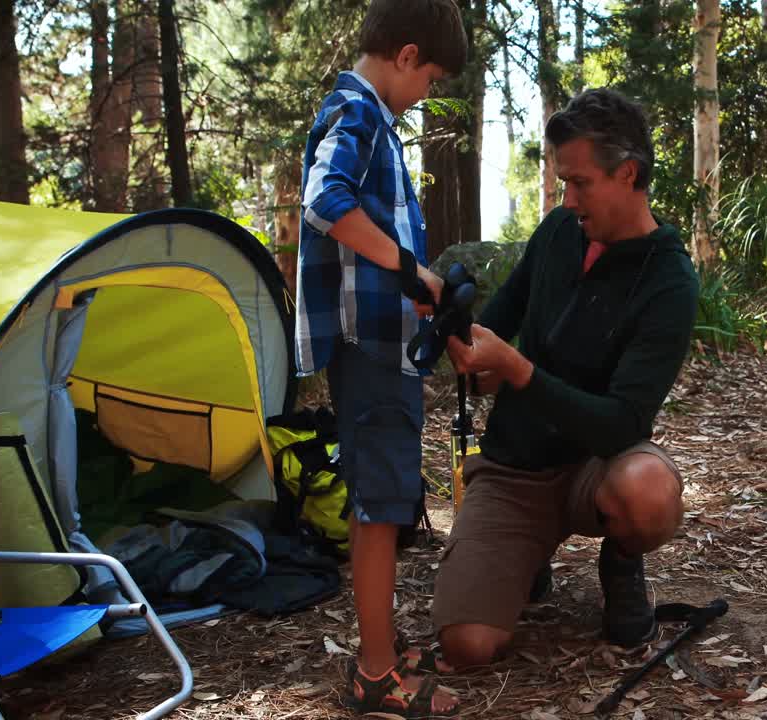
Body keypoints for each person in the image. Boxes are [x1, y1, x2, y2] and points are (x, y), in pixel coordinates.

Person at [433, 88, 700, 669]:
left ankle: (622, 560)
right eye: (563, 183)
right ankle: (527, 557)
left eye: (580, 183)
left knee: (649, 491)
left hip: (594, 469)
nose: (568, 199)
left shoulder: (669, 281)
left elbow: (622, 424)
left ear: (627, 173)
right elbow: (496, 323)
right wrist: (460, 340)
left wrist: (516, 370)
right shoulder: (557, 231)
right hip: (512, 469)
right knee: (468, 646)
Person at [294, 0, 467, 715]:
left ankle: (383, 645)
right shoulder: (358, 112)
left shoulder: (372, 120)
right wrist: (410, 272)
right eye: (429, 78)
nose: (428, 93)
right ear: (404, 56)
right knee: (378, 507)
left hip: (385, 345)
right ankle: (373, 675)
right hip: (368, 349)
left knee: (389, 498)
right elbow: (323, 199)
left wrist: (420, 292)